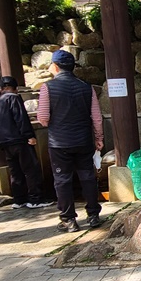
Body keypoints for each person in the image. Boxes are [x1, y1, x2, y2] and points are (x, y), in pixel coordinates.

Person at [37, 49, 103, 232]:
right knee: (88, 177)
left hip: (59, 142)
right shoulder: (86, 87)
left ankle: (69, 219)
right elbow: (97, 117)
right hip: (83, 140)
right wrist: (99, 138)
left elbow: (43, 118)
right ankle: (93, 215)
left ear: (55, 66)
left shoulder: (47, 87)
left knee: (62, 180)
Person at [0, 75, 51, 209]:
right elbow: (21, 118)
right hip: (19, 140)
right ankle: (35, 199)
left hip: (5, 141)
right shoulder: (14, 98)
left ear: (0, 89)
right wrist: (29, 135)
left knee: (15, 171)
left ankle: (19, 200)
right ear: (16, 88)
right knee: (31, 169)